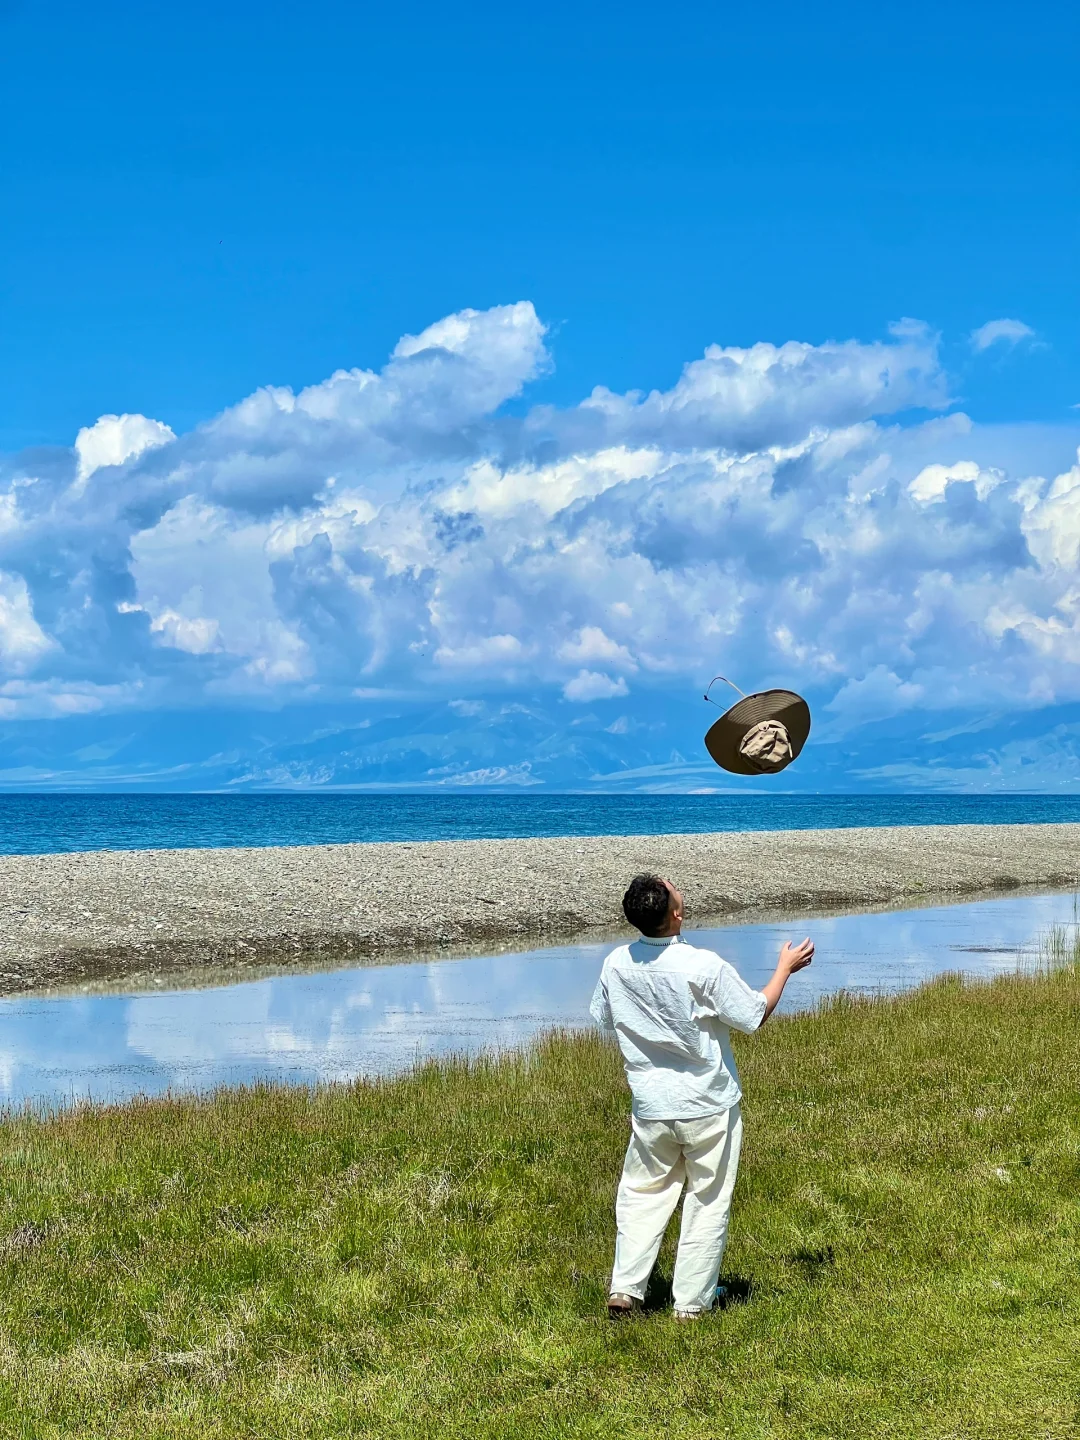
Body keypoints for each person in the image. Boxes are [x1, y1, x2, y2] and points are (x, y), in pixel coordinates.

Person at [590, 872, 814, 1320]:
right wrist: (783, 970)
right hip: (708, 1105)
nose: (675, 885)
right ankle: (692, 1304)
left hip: (651, 1107)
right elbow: (753, 1014)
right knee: (708, 1199)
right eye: (671, 887)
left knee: (641, 1194)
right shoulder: (702, 965)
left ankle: (626, 1289)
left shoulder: (616, 963)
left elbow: (603, 1018)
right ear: (676, 913)